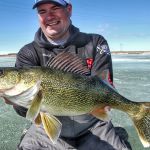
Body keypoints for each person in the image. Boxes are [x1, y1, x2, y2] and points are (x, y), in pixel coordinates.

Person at [5, 0, 132, 149]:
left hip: (94, 125)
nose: (49, 16)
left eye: (55, 8)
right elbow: (26, 111)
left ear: (69, 9)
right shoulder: (28, 53)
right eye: (42, 11)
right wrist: (17, 101)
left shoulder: (95, 42)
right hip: (44, 131)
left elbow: (103, 86)